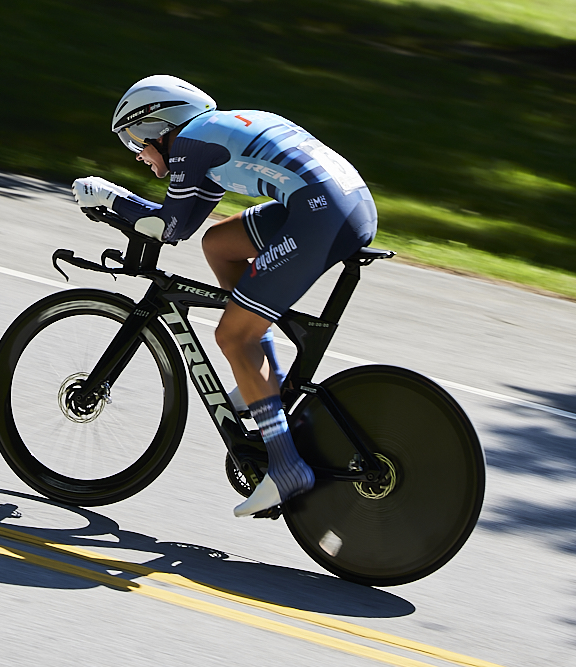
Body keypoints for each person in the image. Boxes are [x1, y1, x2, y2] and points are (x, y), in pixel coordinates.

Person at [72, 75, 377, 517]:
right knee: (220, 245)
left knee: (233, 336)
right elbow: (188, 226)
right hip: (342, 204)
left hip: (321, 215)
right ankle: (261, 375)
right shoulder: (210, 136)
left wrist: (112, 197)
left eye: (136, 139)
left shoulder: (191, 144)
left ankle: (287, 466)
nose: (138, 153)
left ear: (162, 124)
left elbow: (169, 227)